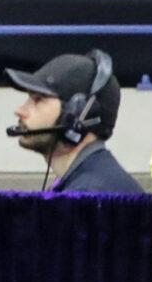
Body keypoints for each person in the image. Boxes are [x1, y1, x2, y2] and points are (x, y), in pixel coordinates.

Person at [8, 52, 143, 192]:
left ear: (76, 116)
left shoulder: (90, 195)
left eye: (38, 100)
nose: (20, 110)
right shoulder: (83, 185)